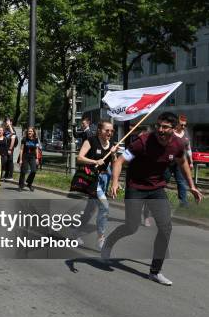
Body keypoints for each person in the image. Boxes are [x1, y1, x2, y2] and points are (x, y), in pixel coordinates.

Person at [102, 112, 203, 286]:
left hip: (157, 189)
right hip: (136, 187)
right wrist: (115, 182)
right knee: (131, 226)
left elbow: (183, 162)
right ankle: (109, 243)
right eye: (158, 126)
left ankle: (155, 272)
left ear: (174, 128)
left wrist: (191, 185)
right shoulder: (143, 142)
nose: (160, 130)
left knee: (166, 228)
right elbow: (119, 162)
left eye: (165, 127)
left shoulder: (177, 144)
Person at [75, 120, 117, 249]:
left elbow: (115, 164)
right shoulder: (91, 141)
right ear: (99, 130)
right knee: (104, 206)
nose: (109, 133)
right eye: (107, 130)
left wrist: (114, 154)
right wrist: (94, 161)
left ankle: (76, 232)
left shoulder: (111, 146)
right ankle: (101, 237)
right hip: (92, 178)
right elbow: (79, 158)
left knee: (91, 209)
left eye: (112, 131)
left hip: (104, 178)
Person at [164, 115, 193, 208]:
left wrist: (191, 162)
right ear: (177, 124)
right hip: (169, 162)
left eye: (185, 125)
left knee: (181, 182)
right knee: (164, 180)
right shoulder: (171, 133)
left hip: (180, 163)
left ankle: (183, 202)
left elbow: (188, 149)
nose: (183, 127)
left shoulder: (186, 134)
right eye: (182, 125)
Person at [17, 127, 40, 191]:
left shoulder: (35, 139)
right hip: (25, 156)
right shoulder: (24, 139)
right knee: (23, 171)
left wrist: (37, 158)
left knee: (34, 170)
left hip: (32, 156)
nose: (30, 132)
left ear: (33, 132)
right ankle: (20, 186)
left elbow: (36, 149)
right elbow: (21, 150)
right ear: (27, 132)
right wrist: (21, 160)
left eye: (31, 131)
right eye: (29, 131)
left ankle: (29, 184)